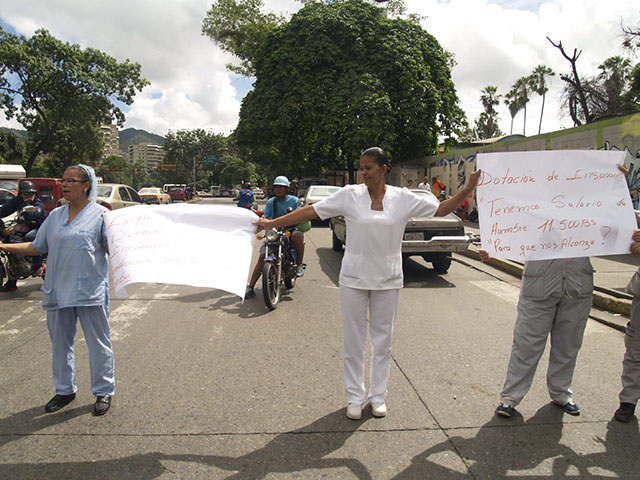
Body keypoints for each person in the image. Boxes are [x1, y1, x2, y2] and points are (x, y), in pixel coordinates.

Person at [254, 147, 480, 419]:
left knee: (383, 341)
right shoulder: (350, 195)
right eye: (362, 167)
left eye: (369, 168)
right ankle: (354, 396)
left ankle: (378, 396)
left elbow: (442, 209)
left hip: (388, 278)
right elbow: (310, 212)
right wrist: (272, 223)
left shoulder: (403, 198)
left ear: (384, 168)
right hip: (354, 279)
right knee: (353, 340)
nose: (364, 173)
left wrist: (468, 189)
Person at [0, 165, 114, 416]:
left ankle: (103, 390)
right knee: (60, 344)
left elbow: (113, 249)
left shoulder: (101, 216)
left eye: (71, 180)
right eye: (63, 180)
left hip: (89, 291)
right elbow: (37, 246)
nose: (64, 184)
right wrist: (5, 246)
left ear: (86, 185)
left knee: (98, 343)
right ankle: (65, 390)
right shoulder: (55, 216)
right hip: (58, 290)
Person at [484, 253, 594, 418]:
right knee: (526, 346)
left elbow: (613, 232)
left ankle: (561, 392)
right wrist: (494, 247)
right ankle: (511, 397)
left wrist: (632, 237)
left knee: (568, 344)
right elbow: (512, 231)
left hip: (577, 285)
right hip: (538, 285)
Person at [245, 175, 306, 298]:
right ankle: (250, 286)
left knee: (298, 236)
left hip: (290, 229)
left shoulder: (294, 200)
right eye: (276, 187)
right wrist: (262, 219)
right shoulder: (271, 202)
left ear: (286, 189)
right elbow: (266, 216)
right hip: (275, 231)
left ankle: (299, 265)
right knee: (262, 256)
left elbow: (300, 213)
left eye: (281, 187)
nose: (278, 189)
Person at [0, 180, 46, 291]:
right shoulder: (17, 201)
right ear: (21, 193)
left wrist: (26, 203)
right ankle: (12, 282)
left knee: (30, 237)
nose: (29, 195)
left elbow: (30, 215)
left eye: (31, 193)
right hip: (24, 227)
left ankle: (38, 264)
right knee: (9, 239)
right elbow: (4, 210)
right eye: (26, 193)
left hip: (39, 228)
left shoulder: (38, 204)